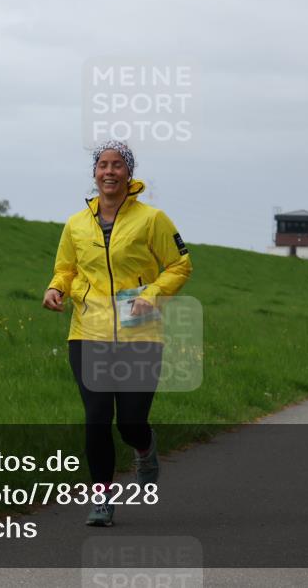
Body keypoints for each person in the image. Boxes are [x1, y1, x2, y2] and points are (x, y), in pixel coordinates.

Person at [43, 140, 192, 527]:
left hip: (138, 333)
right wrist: (56, 288)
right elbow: (66, 269)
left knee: (129, 422)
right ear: (95, 174)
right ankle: (103, 500)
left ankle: (144, 449)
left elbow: (180, 264)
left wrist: (153, 295)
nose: (109, 172)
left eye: (117, 166)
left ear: (129, 174)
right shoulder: (76, 223)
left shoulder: (151, 219)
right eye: (102, 165)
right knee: (96, 419)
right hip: (87, 332)